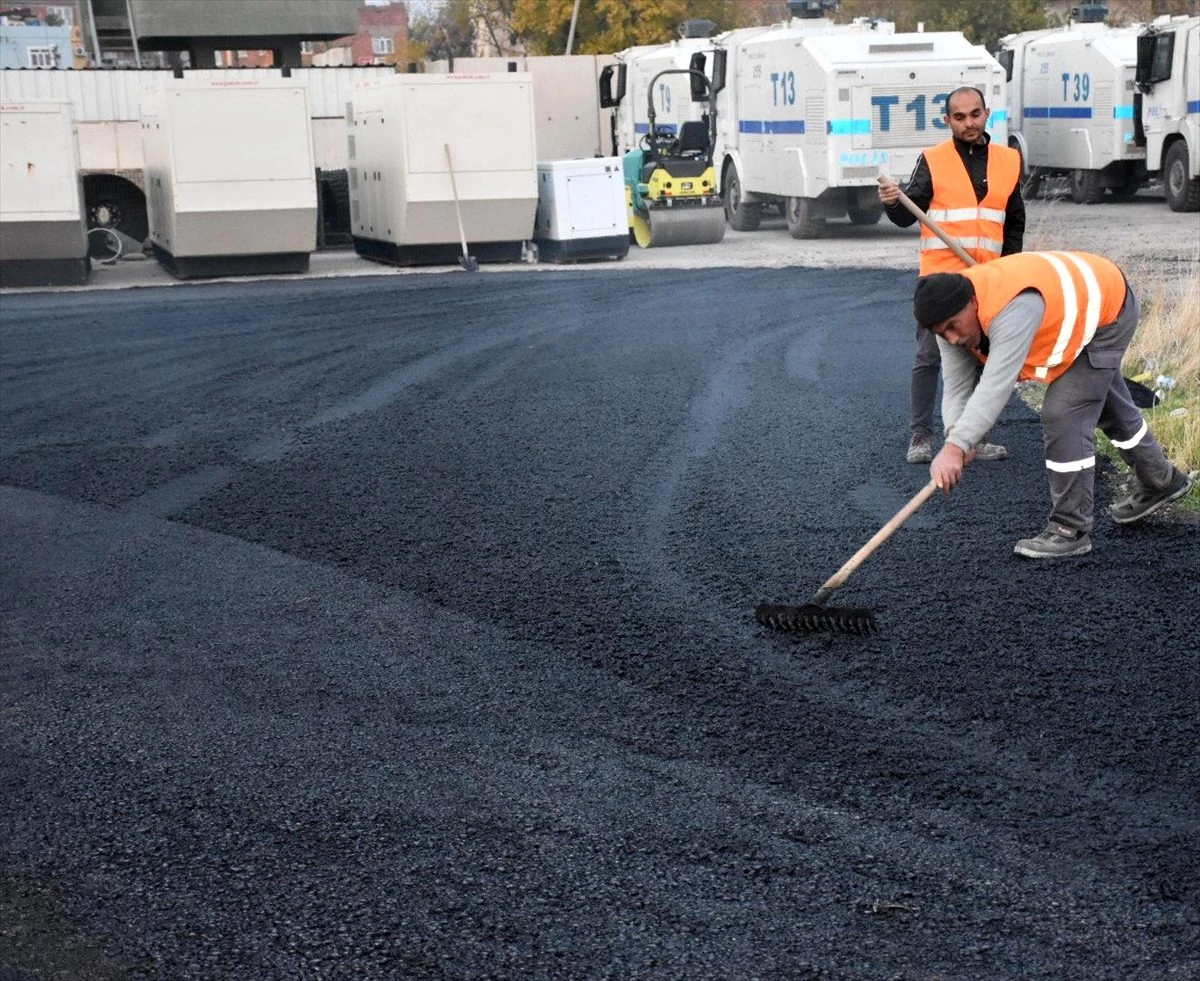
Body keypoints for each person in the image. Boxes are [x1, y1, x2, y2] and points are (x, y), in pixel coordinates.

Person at [912, 250, 1193, 558]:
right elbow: (957, 387)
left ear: (972, 303)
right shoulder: (947, 324)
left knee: (1064, 412)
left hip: (1108, 308)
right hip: (1079, 310)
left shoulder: (1011, 309)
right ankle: (1161, 480)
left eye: (954, 326)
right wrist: (958, 435)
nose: (952, 338)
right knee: (1108, 406)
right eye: (943, 333)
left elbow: (995, 385)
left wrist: (955, 446)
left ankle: (1069, 529)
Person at [878, 85, 1025, 465]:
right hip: (940, 280)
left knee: (979, 358)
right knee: (929, 356)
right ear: (948, 121)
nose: (968, 123)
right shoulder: (934, 159)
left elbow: (1014, 223)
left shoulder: (1008, 161)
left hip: (986, 281)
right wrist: (894, 203)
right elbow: (907, 214)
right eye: (959, 117)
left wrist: (1009, 273)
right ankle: (921, 436)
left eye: (974, 114)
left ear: (986, 113)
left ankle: (973, 438)